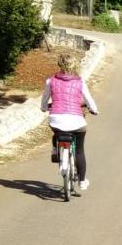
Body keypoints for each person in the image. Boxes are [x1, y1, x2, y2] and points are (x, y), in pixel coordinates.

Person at [40, 52, 99, 191]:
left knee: (57, 131)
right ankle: (83, 181)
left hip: (56, 119)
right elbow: (90, 101)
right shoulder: (80, 82)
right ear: (75, 65)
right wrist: (94, 110)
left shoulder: (50, 81)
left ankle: (55, 149)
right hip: (76, 121)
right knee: (79, 150)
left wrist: (43, 108)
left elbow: (44, 100)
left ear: (59, 64)